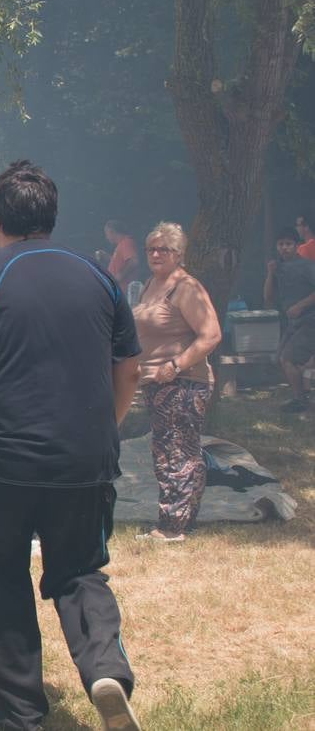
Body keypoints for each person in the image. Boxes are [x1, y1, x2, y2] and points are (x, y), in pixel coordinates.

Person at [0, 160, 143, 731]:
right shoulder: (99, 278)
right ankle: (104, 667)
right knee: (80, 569)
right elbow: (129, 370)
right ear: (52, 218)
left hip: (0, 465)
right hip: (85, 460)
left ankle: (21, 713)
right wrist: (102, 434)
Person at [132, 222, 222, 542]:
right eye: (151, 248)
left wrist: (175, 365)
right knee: (165, 450)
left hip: (183, 382)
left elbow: (211, 335)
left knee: (179, 452)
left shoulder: (187, 287)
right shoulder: (151, 284)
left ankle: (174, 528)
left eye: (164, 249)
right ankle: (173, 520)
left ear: (179, 253)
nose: (156, 254)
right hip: (155, 383)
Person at [264, 228, 315, 413]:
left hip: (310, 321)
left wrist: (301, 305)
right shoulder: (278, 268)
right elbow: (268, 298)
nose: (284, 248)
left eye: (288, 244)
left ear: (296, 246)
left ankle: (300, 399)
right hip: (292, 323)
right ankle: (304, 396)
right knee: (280, 359)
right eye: (281, 244)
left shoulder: (307, 266)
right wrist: (270, 273)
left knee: (288, 358)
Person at [102, 219, 139, 287]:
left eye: (106, 234)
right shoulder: (121, 244)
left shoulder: (126, 242)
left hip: (124, 290)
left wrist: (119, 276)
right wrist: (107, 257)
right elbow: (120, 263)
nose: (107, 237)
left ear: (112, 232)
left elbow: (133, 261)